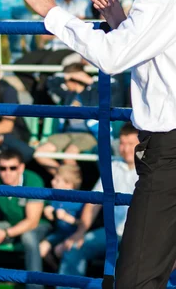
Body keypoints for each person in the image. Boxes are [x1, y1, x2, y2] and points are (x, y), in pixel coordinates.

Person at [5, 0, 176, 286]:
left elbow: (113, 58)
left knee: (134, 279)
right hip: (165, 150)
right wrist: (123, 25)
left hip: (169, 154)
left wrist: (51, 13)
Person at [55, 123, 139, 288]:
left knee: (122, 264)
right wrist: (80, 233)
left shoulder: (151, 170)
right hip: (112, 233)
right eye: (122, 143)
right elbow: (93, 202)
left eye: (131, 144)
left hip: (140, 236)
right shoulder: (113, 167)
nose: (125, 148)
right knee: (73, 249)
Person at [0, 151, 50, 289]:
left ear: (21, 168)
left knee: (29, 237)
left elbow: (32, 221)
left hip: (40, 225)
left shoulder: (33, 180)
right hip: (10, 224)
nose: (7, 172)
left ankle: (35, 287)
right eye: (2, 168)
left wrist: (5, 233)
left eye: (12, 168)